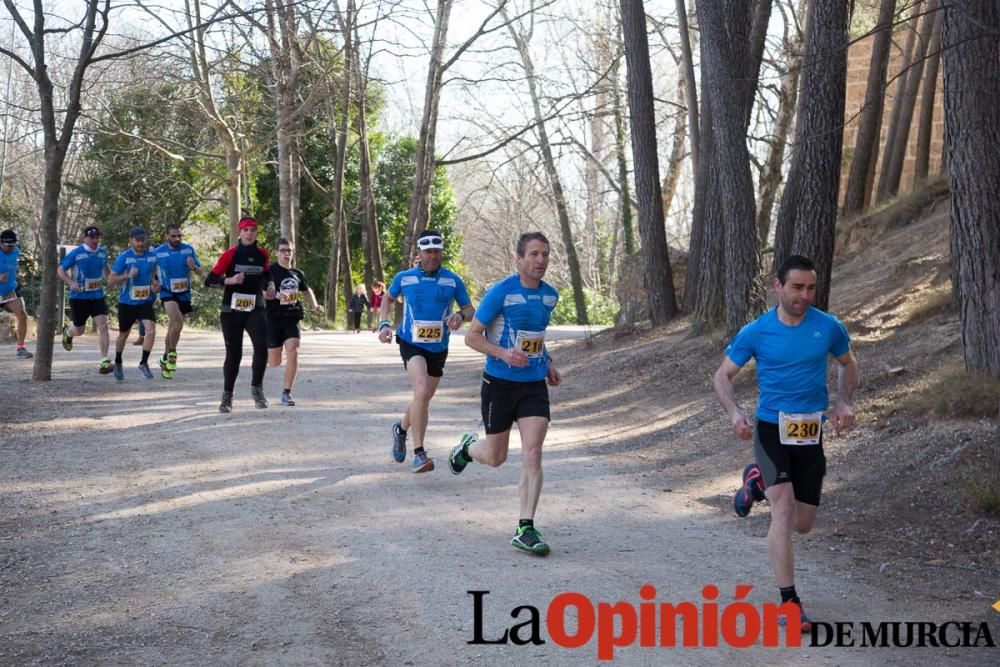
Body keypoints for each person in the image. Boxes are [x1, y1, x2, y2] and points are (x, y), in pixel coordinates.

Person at [712, 254, 858, 630]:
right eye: (796, 287)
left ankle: (755, 481)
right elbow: (722, 377)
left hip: (811, 433)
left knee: (805, 523)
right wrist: (734, 413)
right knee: (784, 511)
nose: (804, 295)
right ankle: (789, 601)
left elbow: (848, 363)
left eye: (810, 288)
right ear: (778, 286)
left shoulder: (828, 327)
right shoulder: (757, 332)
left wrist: (843, 400)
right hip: (770, 431)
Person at [448, 232, 561, 556]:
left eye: (545, 254)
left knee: (533, 450)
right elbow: (472, 337)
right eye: (535, 254)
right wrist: (502, 354)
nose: (541, 260)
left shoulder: (549, 296)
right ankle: (468, 449)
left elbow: (535, 337)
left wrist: (548, 361)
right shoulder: (501, 292)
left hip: (533, 384)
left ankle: (526, 526)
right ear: (520, 258)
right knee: (496, 457)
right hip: (498, 383)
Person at [378, 229, 475, 472]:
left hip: (438, 347)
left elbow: (470, 309)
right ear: (419, 253)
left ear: (442, 252)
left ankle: (400, 429)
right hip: (410, 342)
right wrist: (384, 324)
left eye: (436, 251)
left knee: (423, 398)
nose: (432, 256)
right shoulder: (404, 277)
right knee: (420, 390)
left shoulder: (452, 280)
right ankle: (419, 453)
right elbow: (388, 299)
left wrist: (460, 315)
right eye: (427, 251)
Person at [204, 216, 274, 412]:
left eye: (252, 230)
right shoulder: (230, 255)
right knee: (234, 354)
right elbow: (209, 280)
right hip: (231, 311)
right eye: (246, 230)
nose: (249, 234)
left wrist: (269, 286)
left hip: (255, 308)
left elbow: (266, 274)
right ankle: (227, 397)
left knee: (262, 348)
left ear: (256, 233)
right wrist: (230, 280)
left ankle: (257, 389)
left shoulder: (263, 254)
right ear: (239, 232)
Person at [266, 237, 324, 406]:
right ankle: (271, 352)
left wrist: (314, 305)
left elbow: (306, 291)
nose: (286, 254)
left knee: (293, 351)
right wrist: (274, 295)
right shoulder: (269, 271)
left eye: (289, 250)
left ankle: (286, 392)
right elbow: (261, 290)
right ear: (276, 252)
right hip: (272, 319)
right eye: (283, 250)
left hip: (292, 317)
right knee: (274, 362)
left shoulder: (298, 274)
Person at [58, 225, 113, 374]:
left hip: (97, 296)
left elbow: (106, 266)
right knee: (79, 330)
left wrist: (111, 279)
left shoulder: (102, 252)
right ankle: (68, 333)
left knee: (103, 326)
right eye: (92, 237)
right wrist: (71, 282)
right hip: (79, 297)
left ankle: (104, 360)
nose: (95, 240)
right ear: (85, 238)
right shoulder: (76, 253)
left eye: (97, 237)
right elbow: (60, 269)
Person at [108, 227, 159, 381]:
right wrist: (127, 276)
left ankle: (143, 363)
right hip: (127, 303)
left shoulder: (151, 257)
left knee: (151, 331)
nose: (140, 243)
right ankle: (118, 361)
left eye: (142, 240)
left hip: (145, 302)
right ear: (130, 240)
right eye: (137, 240)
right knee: (124, 334)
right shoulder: (124, 257)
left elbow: (154, 276)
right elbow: (111, 279)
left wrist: (154, 285)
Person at [154, 223, 202, 379]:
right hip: (167, 292)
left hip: (184, 294)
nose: (177, 238)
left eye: (179, 235)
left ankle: (165, 356)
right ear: (167, 236)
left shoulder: (188, 250)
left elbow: (201, 272)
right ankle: (173, 355)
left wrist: (194, 267)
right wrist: (152, 282)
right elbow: (147, 271)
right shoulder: (158, 253)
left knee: (174, 327)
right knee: (177, 321)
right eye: (173, 236)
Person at [0, 229, 33, 358]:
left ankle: (21, 348)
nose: (10, 248)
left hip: (9, 292)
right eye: (8, 246)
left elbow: (12, 267)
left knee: (23, 316)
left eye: (13, 246)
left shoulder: (16, 252)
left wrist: (18, 276)